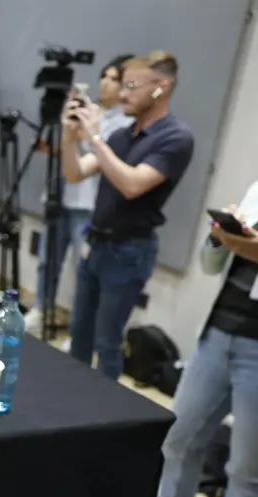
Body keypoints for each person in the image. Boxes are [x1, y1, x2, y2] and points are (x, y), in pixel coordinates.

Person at [150, 190, 258, 497]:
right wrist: (220, 235)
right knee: (181, 432)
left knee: (248, 469)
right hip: (220, 333)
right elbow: (211, 264)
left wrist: (245, 245)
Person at [63, 50, 195, 380]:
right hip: (96, 242)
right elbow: (76, 173)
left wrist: (95, 138)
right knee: (79, 331)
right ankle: (71, 399)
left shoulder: (176, 138)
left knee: (107, 341)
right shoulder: (122, 136)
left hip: (128, 251)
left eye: (132, 86)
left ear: (161, 88)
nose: (123, 94)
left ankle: (104, 408)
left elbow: (133, 185)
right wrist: (69, 136)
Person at [26, 55, 134, 335]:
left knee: (83, 268)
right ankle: (41, 308)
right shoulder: (87, 110)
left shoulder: (125, 123)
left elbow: (102, 158)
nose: (105, 83)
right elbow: (70, 152)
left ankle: (79, 328)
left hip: (89, 204)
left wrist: (87, 132)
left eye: (114, 79)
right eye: (104, 77)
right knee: (47, 260)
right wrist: (56, 141)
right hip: (59, 195)